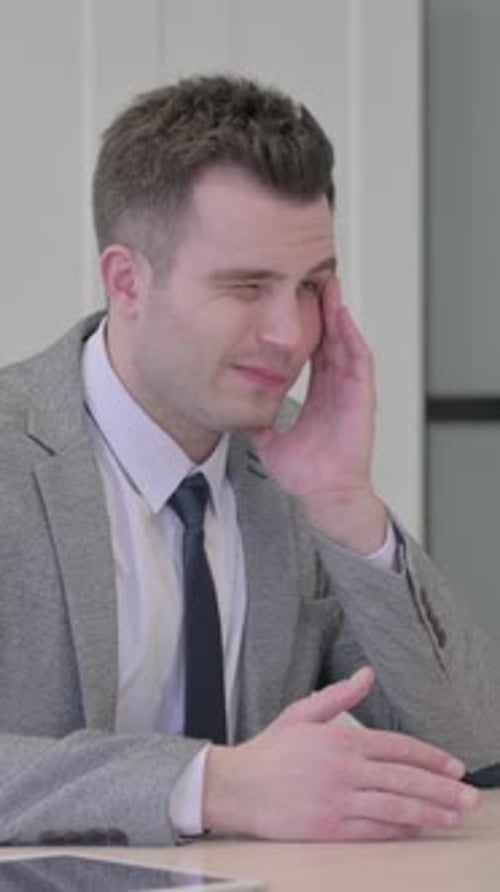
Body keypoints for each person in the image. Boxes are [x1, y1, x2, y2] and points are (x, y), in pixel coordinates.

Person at [0, 73, 499, 848]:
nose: (289, 335)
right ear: (127, 281)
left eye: (311, 288)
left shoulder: (294, 464)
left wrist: (347, 506)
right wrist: (210, 783)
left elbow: (472, 747)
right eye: (247, 286)